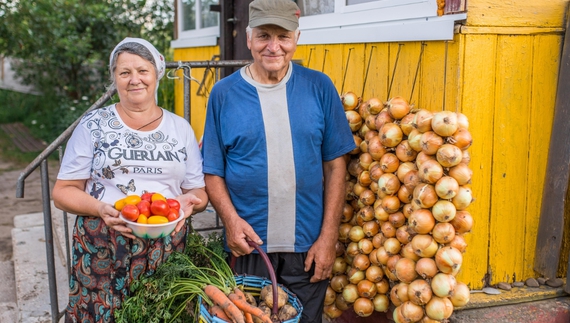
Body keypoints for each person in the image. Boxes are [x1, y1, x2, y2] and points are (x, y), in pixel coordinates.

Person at [201, 0, 356, 321]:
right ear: (248, 38)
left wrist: (328, 238)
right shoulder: (223, 93)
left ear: (297, 38)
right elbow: (212, 171)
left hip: (307, 245)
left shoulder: (319, 87)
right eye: (263, 36)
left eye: (283, 36)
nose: (274, 47)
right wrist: (231, 221)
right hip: (248, 244)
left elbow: (336, 166)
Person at [52, 37, 208, 323]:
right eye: (124, 72)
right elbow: (63, 191)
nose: (134, 79)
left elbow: (197, 189)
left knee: (161, 315)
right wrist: (99, 208)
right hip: (103, 245)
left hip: (165, 245)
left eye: (142, 70)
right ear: (115, 79)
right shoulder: (94, 124)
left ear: (156, 74)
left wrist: (190, 205)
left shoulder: (180, 128)